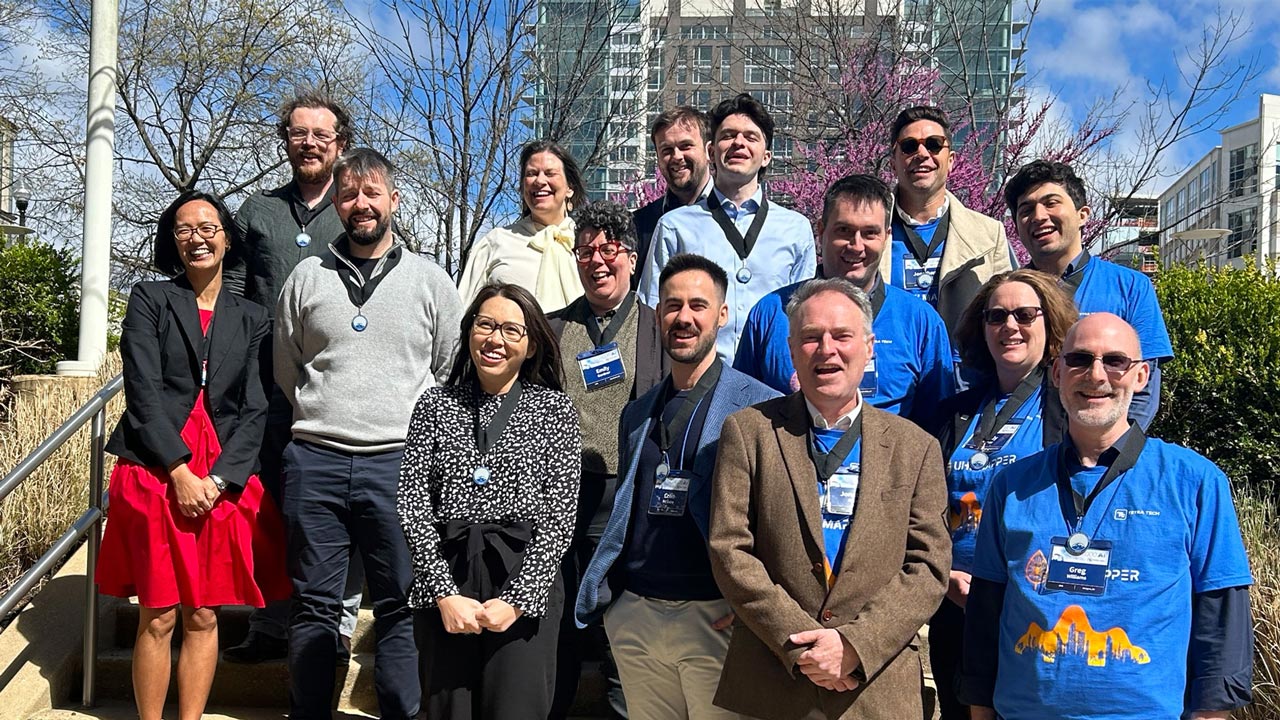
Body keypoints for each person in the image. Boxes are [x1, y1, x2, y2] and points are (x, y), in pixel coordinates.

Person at [960, 313, 1254, 720]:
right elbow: (984, 619)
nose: (1096, 375)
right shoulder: (1012, 486)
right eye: (1080, 359)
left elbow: (1221, 620)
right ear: (1058, 373)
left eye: (1115, 361)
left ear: (1141, 376)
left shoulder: (1195, 481)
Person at [274, 148, 463, 719]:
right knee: (313, 606)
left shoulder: (430, 279)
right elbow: (288, 368)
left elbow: (452, 366)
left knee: (399, 606)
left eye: (372, 193)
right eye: (350, 194)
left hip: (400, 466)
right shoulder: (307, 277)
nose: (361, 205)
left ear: (392, 202)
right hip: (316, 461)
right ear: (336, 202)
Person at [708, 277, 950, 719]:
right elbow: (730, 549)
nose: (826, 349)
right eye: (811, 337)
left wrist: (854, 646)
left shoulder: (916, 447)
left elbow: (929, 567)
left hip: (875, 686)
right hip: (775, 681)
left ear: (869, 346)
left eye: (841, 335)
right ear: (792, 349)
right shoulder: (749, 432)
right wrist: (803, 643)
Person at [97, 190, 290, 720]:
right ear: (172, 241)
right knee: (157, 613)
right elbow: (142, 389)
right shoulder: (150, 298)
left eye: (208, 226)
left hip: (221, 476)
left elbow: (256, 406)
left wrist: (221, 479)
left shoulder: (253, 316)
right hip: (156, 467)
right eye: (183, 229)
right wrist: (179, 470)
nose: (196, 237)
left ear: (227, 238)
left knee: (203, 613)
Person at [576, 253, 779, 719]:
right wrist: (617, 606)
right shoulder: (636, 413)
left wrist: (756, 608)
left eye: (697, 305)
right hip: (637, 614)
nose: (683, 317)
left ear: (722, 314)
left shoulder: (762, 408)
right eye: (671, 306)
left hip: (717, 614)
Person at [223, 89, 365, 666]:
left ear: (341, 145)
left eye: (320, 135)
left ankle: (338, 623)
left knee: (340, 502)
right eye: (298, 133)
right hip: (266, 385)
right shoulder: (258, 211)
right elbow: (233, 289)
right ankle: (271, 621)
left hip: (338, 386)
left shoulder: (356, 207)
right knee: (272, 504)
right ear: (285, 140)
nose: (308, 143)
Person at [398, 283, 581, 719]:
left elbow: (560, 516)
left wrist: (516, 599)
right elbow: (412, 503)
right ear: (469, 331)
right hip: (446, 580)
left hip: (524, 583)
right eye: (485, 325)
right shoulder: (435, 404)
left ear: (532, 343)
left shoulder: (554, 411)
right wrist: (444, 593)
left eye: (511, 330)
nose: (495, 339)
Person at [927, 269, 1077, 719]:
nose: (1010, 326)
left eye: (1025, 314)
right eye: (997, 316)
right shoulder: (954, 413)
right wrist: (942, 573)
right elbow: (925, 502)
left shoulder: (1069, 410)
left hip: (1035, 603)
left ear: (1049, 323)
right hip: (958, 604)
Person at [546, 200, 669, 719]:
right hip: (561, 497)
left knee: (619, 629)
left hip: (627, 497)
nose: (597, 259)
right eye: (586, 250)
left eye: (609, 248)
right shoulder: (551, 329)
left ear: (633, 258)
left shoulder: (658, 327)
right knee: (558, 627)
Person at [735, 173, 954, 428]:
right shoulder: (771, 313)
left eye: (869, 233)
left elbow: (939, 427)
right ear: (821, 231)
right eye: (844, 231)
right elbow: (743, 411)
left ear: (886, 236)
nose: (856, 245)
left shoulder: (920, 322)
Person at [638, 93, 816, 363]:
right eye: (728, 135)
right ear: (711, 151)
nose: (739, 143)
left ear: (767, 156)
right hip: (698, 378)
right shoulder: (675, 226)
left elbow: (805, 316)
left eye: (750, 137)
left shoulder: (795, 229)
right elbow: (651, 311)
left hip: (772, 383)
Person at [1005, 159, 1173, 429]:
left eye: (1051, 203)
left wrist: (1111, 454)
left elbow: (1144, 387)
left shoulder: (1131, 287)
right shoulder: (1006, 295)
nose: (1038, 216)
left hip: (1097, 447)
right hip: (1019, 447)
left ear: (1083, 214)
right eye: (1026, 209)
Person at [880, 105, 1013, 336]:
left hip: (963, 369)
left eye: (933, 145)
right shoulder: (866, 232)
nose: (922, 154)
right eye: (909, 146)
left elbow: (1008, 312)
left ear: (951, 160)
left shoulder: (990, 236)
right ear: (893, 163)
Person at [458, 140, 589, 313]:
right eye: (532, 173)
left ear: (570, 188)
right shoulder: (496, 242)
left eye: (550, 173)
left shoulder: (589, 245)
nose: (540, 181)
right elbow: (462, 313)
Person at [631, 106, 714, 285]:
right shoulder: (639, 226)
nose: (676, 156)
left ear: (709, 152)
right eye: (667, 150)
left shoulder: (734, 216)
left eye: (686, 146)